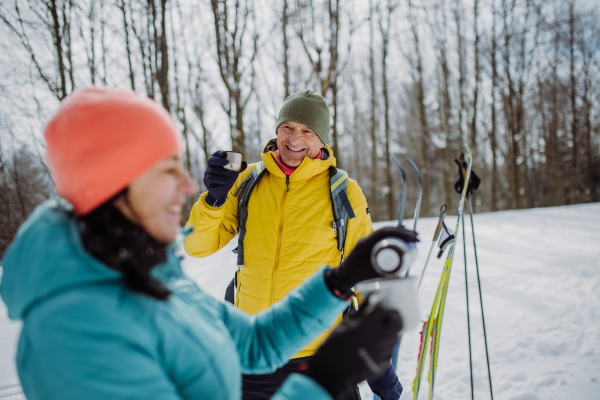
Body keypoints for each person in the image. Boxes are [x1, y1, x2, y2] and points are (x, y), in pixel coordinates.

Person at [0, 88, 417, 400]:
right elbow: (202, 243)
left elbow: (256, 344)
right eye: (168, 169)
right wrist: (323, 381)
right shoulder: (74, 325)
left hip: (310, 341)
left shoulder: (159, 280)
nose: (186, 185)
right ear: (115, 185)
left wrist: (340, 282)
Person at [184, 89, 403, 400]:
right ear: (277, 130)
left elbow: (368, 277)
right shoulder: (247, 181)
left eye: (307, 130)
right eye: (287, 126)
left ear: (321, 140)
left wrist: (380, 359)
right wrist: (214, 200)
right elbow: (196, 245)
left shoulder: (343, 191)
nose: (295, 137)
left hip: (319, 358)